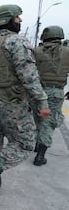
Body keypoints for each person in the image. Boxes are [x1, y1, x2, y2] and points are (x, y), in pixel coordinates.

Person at [0, 4, 50, 207]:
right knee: (25, 142)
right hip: (10, 103)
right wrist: (41, 101)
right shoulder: (15, 41)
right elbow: (29, 77)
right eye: (17, 17)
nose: (20, 21)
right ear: (6, 20)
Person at [32, 26, 69, 166]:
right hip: (56, 92)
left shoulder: (37, 51)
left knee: (37, 118)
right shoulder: (67, 52)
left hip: (38, 91)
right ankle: (40, 156)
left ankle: (36, 145)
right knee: (49, 122)